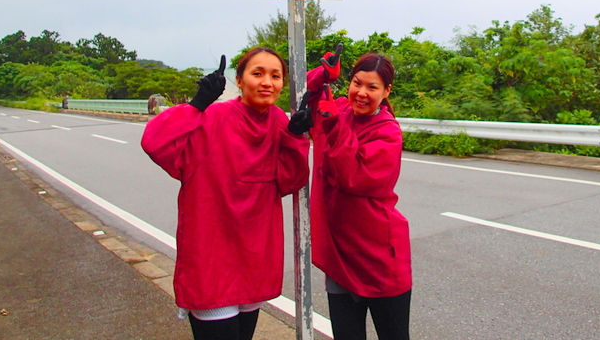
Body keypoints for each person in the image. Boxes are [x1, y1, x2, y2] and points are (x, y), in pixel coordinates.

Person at [141, 48, 309, 340]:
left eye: (275, 76)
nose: (267, 82)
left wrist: (295, 138)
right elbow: (155, 143)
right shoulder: (210, 117)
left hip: (255, 258)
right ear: (240, 81)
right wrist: (196, 105)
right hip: (211, 260)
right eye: (257, 73)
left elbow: (290, 181)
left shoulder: (280, 123)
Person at [303, 51, 412, 340]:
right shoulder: (339, 110)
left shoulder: (387, 132)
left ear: (386, 91)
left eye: (372, 87)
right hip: (340, 254)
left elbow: (354, 177)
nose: (362, 93)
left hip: (379, 258)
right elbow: (308, 97)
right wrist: (324, 75)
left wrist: (334, 126)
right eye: (356, 83)